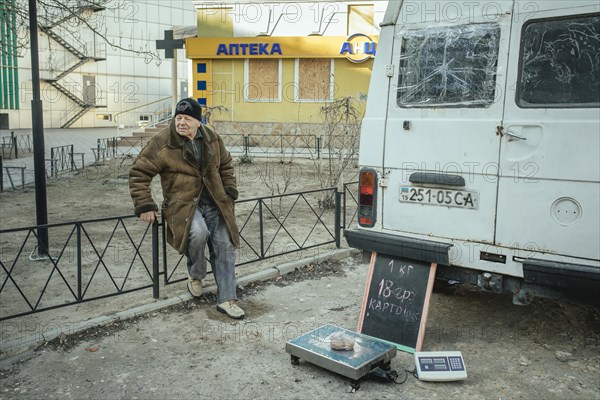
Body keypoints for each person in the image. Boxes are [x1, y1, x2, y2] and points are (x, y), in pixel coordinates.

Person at [129, 98, 244, 319]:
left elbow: (226, 164)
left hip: (216, 201)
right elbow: (139, 173)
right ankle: (196, 275)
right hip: (182, 204)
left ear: (198, 122)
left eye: (187, 119)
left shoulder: (211, 138)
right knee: (198, 233)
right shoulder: (162, 142)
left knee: (225, 245)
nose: (181, 123)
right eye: (178, 118)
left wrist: (229, 191)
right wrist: (144, 205)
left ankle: (228, 299)